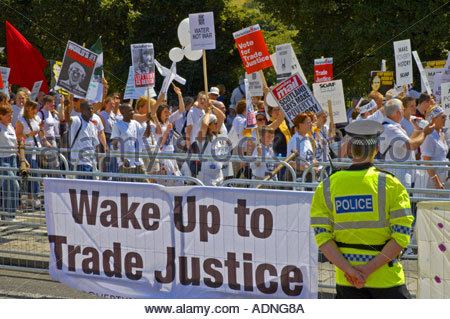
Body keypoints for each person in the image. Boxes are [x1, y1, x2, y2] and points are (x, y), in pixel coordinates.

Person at [310, 120, 414, 298]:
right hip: (387, 280)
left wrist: (351, 271)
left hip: (346, 282)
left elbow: (323, 239)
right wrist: (366, 270)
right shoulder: (391, 184)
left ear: (349, 149)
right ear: (376, 149)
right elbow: (401, 238)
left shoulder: (326, 187)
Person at [379, 99, 433, 188]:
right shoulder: (391, 128)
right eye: (403, 110)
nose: (404, 112)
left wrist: (417, 130)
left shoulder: (392, 127)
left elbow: (407, 144)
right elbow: (411, 145)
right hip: (398, 176)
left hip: (401, 174)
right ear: (398, 112)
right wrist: (425, 133)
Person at [15, 100, 50, 208]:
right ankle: (33, 198)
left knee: (36, 173)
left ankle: (34, 197)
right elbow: (18, 136)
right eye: (33, 109)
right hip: (28, 149)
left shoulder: (36, 118)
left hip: (37, 148)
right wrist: (28, 135)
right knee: (33, 174)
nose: (35, 111)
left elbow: (40, 130)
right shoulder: (21, 121)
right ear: (28, 109)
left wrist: (44, 139)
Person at [0, 104, 27, 220]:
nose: (11, 117)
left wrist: (23, 159)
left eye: (11, 115)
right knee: (13, 185)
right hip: (2, 159)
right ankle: (8, 214)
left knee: (9, 188)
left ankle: (9, 214)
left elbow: (15, 144)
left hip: (12, 160)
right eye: (8, 115)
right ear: (0, 116)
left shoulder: (10, 126)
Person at [111, 103, 147, 182]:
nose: (133, 112)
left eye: (132, 110)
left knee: (145, 184)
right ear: (123, 112)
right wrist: (122, 159)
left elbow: (146, 134)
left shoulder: (136, 123)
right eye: (130, 110)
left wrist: (149, 121)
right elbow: (115, 145)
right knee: (126, 186)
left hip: (137, 160)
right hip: (125, 162)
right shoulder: (117, 126)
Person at [65, 101, 100, 179]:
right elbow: (68, 119)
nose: (91, 110)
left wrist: (98, 160)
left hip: (91, 163)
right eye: (88, 109)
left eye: (92, 108)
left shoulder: (92, 125)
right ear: (82, 110)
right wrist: (66, 108)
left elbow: (96, 144)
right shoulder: (77, 120)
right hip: (80, 162)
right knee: (82, 188)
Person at [195, 103, 227, 186]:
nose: (217, 125)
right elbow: (204, 124)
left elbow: (222, 117)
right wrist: (208, 113)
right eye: (215, 123)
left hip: (218, 173)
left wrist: (212, 107)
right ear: (209, 126)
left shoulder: (214, 135)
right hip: (206, 173)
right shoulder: (201, 136)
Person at [421, 105, 449, 193]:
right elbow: (426, 160)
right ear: (433, 119)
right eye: (443, 117)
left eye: (445, 116)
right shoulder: (430, 136)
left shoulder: (441, 133)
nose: (445, 119)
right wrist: (436, 181)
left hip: (443, 175)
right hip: (432, 178)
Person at [286, 113, 315, 181]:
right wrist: (309, 168)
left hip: (308, 176)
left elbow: (309, 157)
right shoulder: (294, 141)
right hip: (298, 177)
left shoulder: (307, 138)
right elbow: (291, 163)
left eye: (311, 122)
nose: (311, 124)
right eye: (308, 122)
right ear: (300, 125)